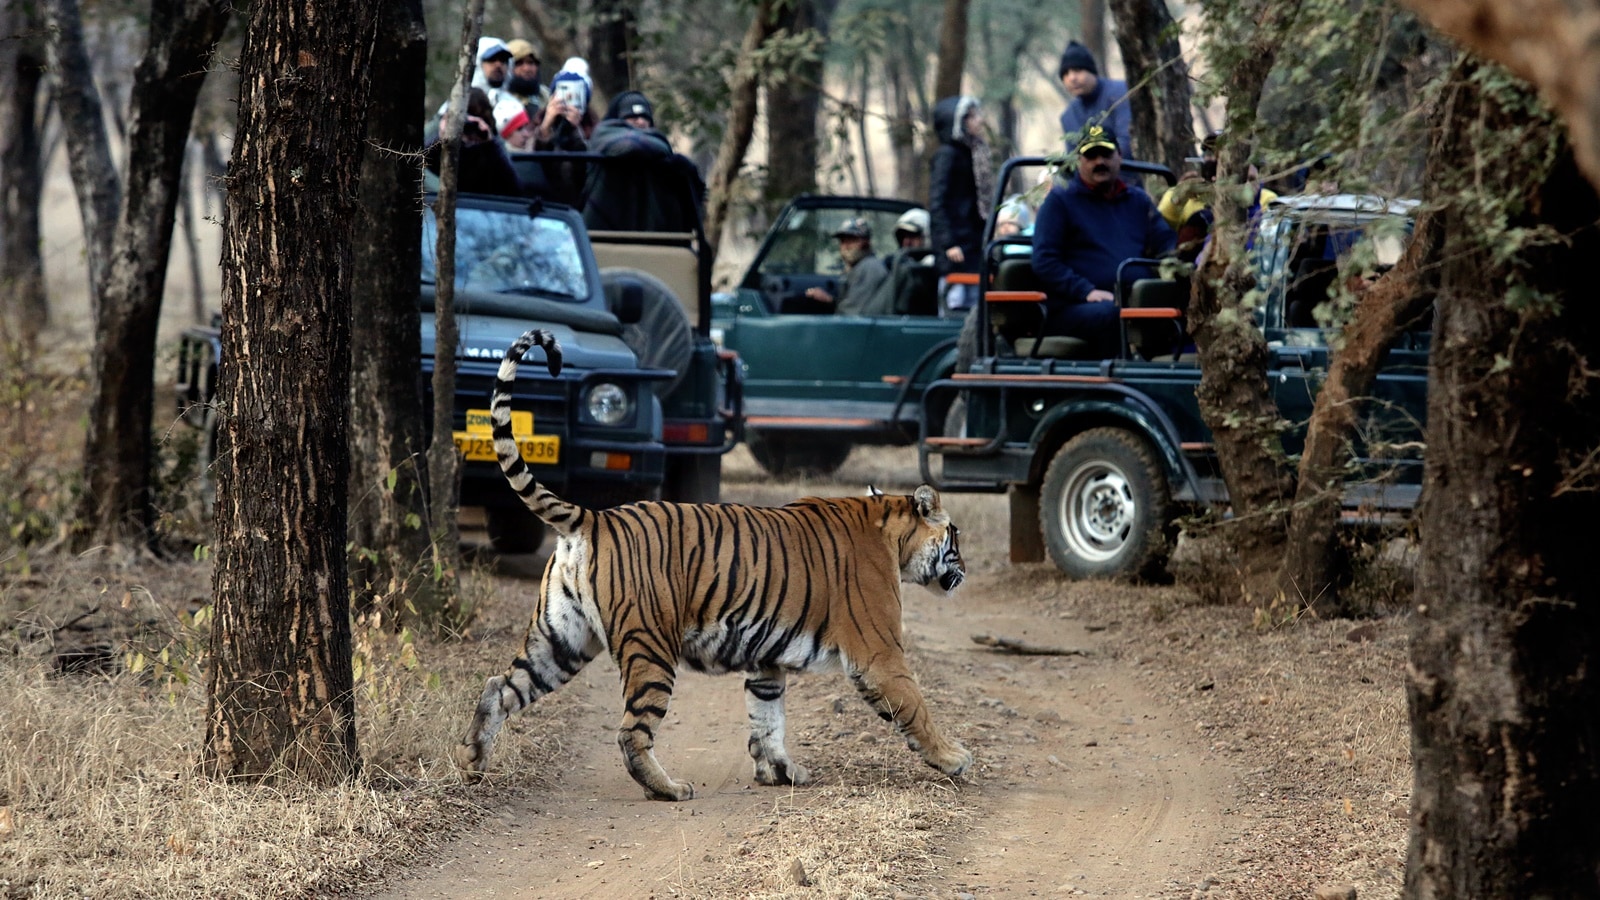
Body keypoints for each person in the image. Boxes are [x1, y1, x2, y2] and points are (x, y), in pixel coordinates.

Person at [1030, 125, 1175, 358]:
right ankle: (1124, 385)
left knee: (1177, 304)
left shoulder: (1136, 200)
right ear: (1079, 161)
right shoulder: (1060, 201)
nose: (1100, 162)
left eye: (1106, 154)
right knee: (1110, 314)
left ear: (1119, 156)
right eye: (1091, 156)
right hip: (1075, 307)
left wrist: (1184, 261)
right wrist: (1085, 291)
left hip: (1134, 300)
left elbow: (1167, 243)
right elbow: (1044, 260)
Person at [582, 90, 706, 232]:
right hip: (600, 236)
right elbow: (629, 146)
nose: (640, 121)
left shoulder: (662, 159)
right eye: (632, 117)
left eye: (644, 117)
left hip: (654, 239)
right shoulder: (603, 136)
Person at [1158, 130, 1277, 260]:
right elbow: (1160, 235)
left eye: (1225, 154)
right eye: (1211, 153)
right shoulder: (1185, 195)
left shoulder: (1264, 198)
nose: (1215, 159)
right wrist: (1178, 198)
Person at [929, 96, 995, 316]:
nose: (978, 120)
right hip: (956, 249)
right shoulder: (947, 155)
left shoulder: (975, 153)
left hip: (974, 244)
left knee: (976, 309)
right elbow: (937, 202)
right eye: (971, 116)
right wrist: (949, 243)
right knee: (954, 306)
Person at [425, 87, 522, 197]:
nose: (465, 127)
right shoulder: (442, 151)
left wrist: (489, 144)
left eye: (471, 121)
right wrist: (444, 138)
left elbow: (515, 189)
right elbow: (419, 162)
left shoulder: (491, 152)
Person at [1057, 40, 1131, 158]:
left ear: (1092, 72)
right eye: (1065, 73)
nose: (1072, 78)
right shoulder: (1068, 116)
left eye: (1078, 70)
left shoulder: (1120, 94)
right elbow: (1073, 159)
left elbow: (1127, 143)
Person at [804, 218, 889, 315]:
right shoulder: (858, 267)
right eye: (843, 241)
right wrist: (829, 300)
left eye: (852, 240)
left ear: (866, 242)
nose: (846, 246)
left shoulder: (870, 268)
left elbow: (853, 314)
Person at [862, 208, 938, 316]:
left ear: (926, 236)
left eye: (913, 236)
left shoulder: (929, 267)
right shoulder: (894, 263)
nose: (907, 242)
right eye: (903, 237)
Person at [504, 38, 549, 109]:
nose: (527, 69)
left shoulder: (545, 96)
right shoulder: (500, 98)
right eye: (519, 63)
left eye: (530, 62)